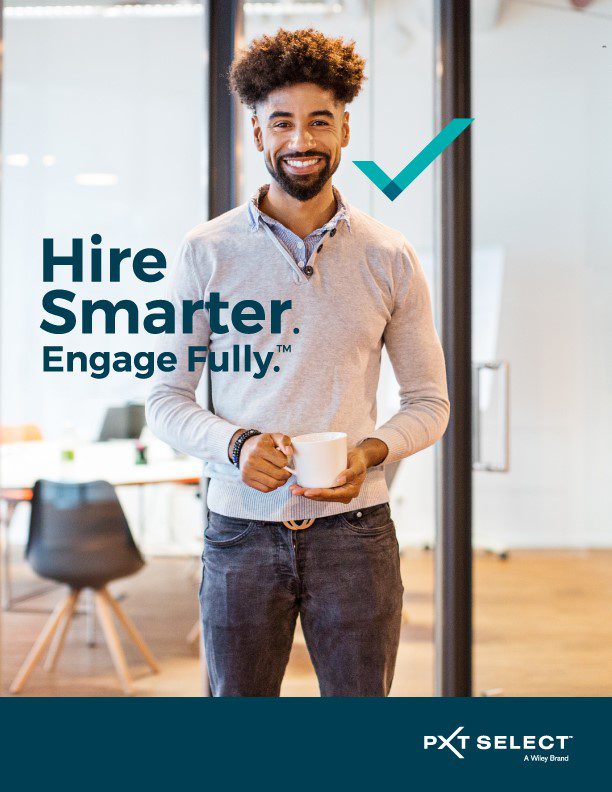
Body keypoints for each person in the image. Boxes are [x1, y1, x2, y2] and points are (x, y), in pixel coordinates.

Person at [146, 28, 450, 697]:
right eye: (282, 122)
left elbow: (429, 401)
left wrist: (369, 454)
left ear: (344, 129)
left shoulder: (388, 255)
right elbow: (165, 398)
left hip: (358, 536)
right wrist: (235, 443)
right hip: (239, 534)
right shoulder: (205, 253)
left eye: (319, 122)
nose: (301, 141)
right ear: (258, 133)